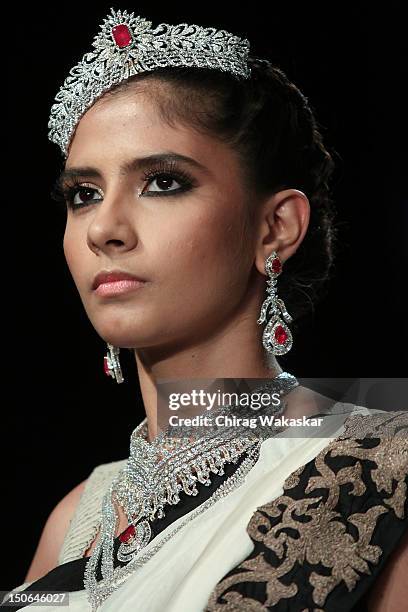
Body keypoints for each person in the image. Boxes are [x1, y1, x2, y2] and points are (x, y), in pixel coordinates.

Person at [3, 8, 407, 612]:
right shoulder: (80, 517)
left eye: (162, 182)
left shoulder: (376, 472)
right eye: (83, 195)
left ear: (275, 225)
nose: (104, 228)